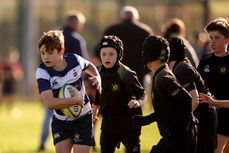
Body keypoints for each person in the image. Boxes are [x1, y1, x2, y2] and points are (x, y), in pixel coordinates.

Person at [36, 30, 101, 153]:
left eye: (50, 53)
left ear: (61, 51)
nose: (45, 57)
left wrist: (97, 77)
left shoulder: (75, 60)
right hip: (61, 121)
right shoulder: (42, 72)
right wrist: (74, 100)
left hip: (83, 118)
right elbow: (50, 104)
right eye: (42, 53)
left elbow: (89, 65)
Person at [141, 35, 197, 153]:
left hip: (177, 139)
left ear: (149, 55)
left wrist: (178, 131)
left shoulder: (163, 79)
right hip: (178, 137)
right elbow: (168, 108)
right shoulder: (162, 74)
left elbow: (186, 99)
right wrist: (146, 120)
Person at [92, 35, 145, 153]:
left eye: (111, 54)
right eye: (103, 54)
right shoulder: (98, 71)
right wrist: (95, 106)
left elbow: (142, 94)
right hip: (108, 126)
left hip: (129, 125)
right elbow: (100, 91)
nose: (107, 57)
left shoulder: (126, 73)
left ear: (119, 55)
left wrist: (138, 102)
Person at [97, 5, 153, 84]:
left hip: (115, 73)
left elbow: (98, 51)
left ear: (122, 18)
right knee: (138, 95)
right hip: (138, 74)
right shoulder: (145, 32)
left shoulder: (111, 30)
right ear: (137, 18)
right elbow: (151, 54)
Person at [197, 17, 229, 153]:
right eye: (210, 37)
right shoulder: (205, 59)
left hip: (226, 116)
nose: (213, 41)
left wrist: (216, 102)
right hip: (207, 116)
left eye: (217, 37)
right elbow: (197, 85)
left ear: (227, 40)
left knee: (217, 150)